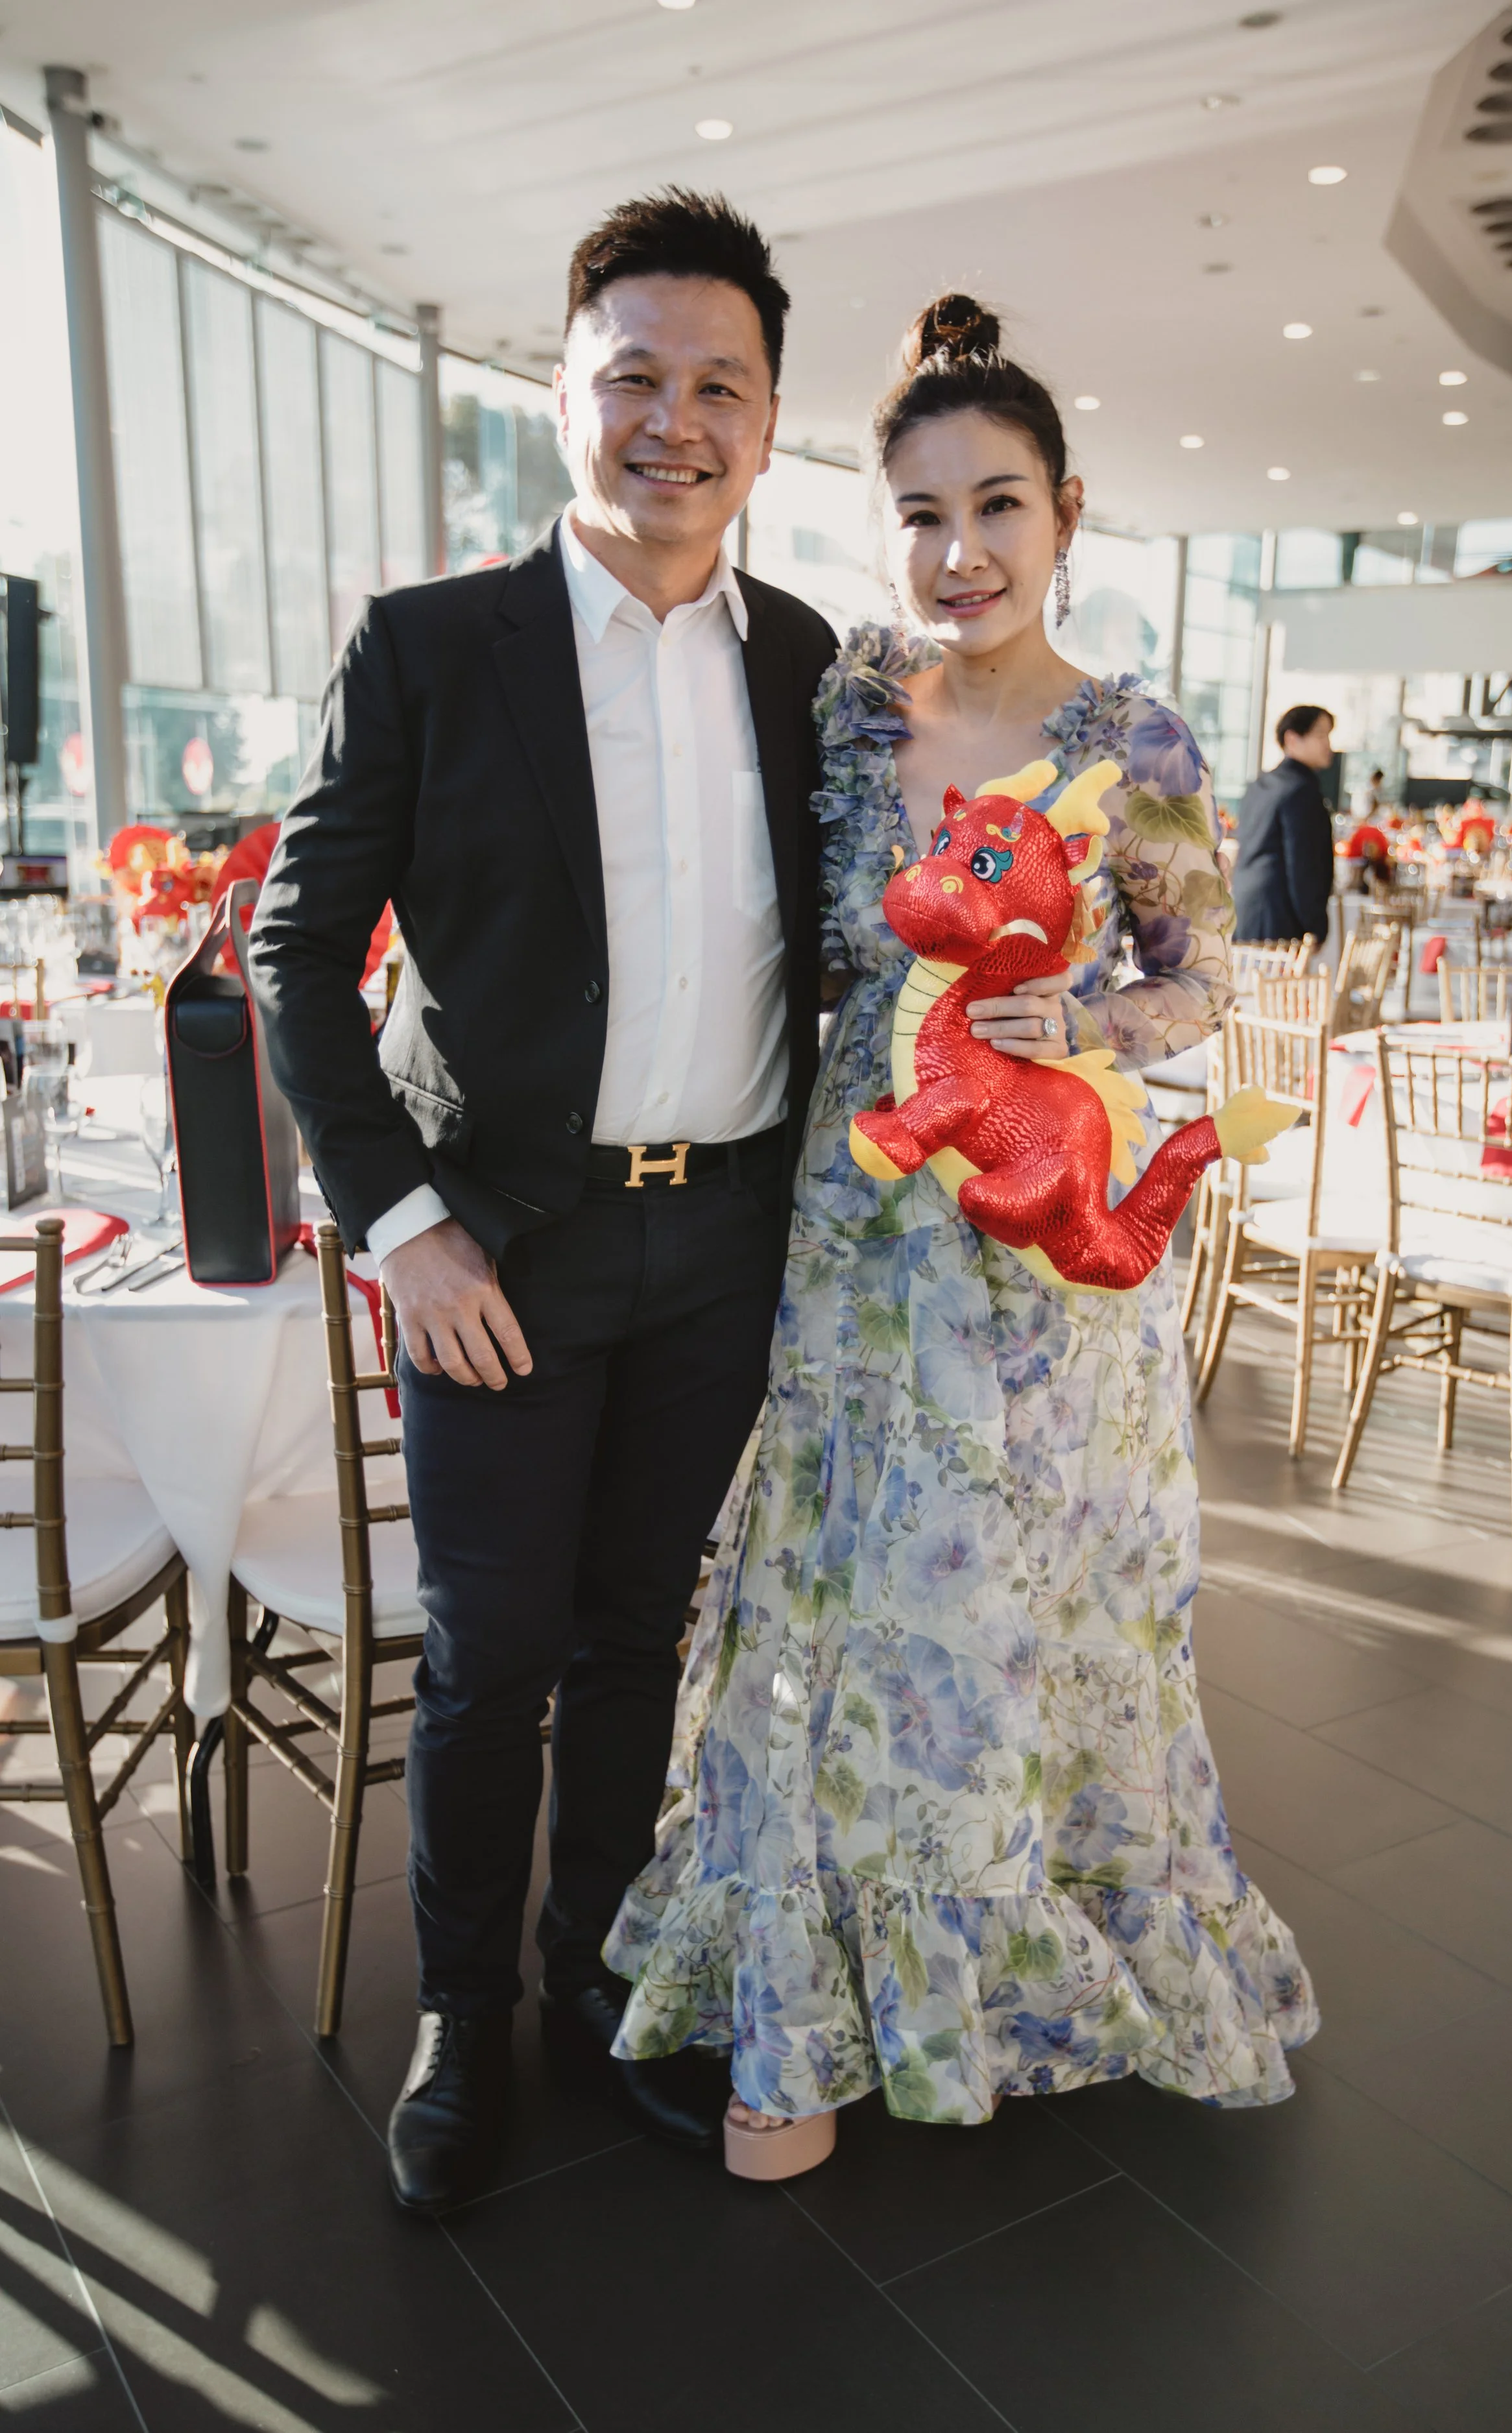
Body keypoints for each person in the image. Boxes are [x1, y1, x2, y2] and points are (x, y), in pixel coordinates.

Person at [250, 191, 1024, 2217]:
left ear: (767, 423)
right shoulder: (431, 646)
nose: (675, 421)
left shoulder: (811, 668)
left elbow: (871, 940)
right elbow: (293, 949)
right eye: (636, 377)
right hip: (501, 1247)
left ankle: (601, 1985)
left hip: (722, 1245)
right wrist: (401, 1222)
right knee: (487, 1650)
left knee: (631, 1642)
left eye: (720, 386)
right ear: (560, 394)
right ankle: (461, 2018)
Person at [605, 295, 1318, 2177]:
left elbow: (1198, 983)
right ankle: (805, 1997)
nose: (960, 552)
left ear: (1066, 509)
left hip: (1049, 1239)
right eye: (921, 513)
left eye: (997, 504)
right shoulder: (849, 708)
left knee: (1033, 1595)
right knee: (841, 1586)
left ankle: (1007, 1975)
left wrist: (1081, 1020)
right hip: (857, 1218)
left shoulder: (1138, 738)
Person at [1230, 704, 1336, 944]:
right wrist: (1315, 926)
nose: (1328, 745)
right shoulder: (1301, 791)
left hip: (1245, 914)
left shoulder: (1259, 786)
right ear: (1292, 739)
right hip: (1281, 922)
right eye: (1320, 735)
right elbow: (1304, 866)